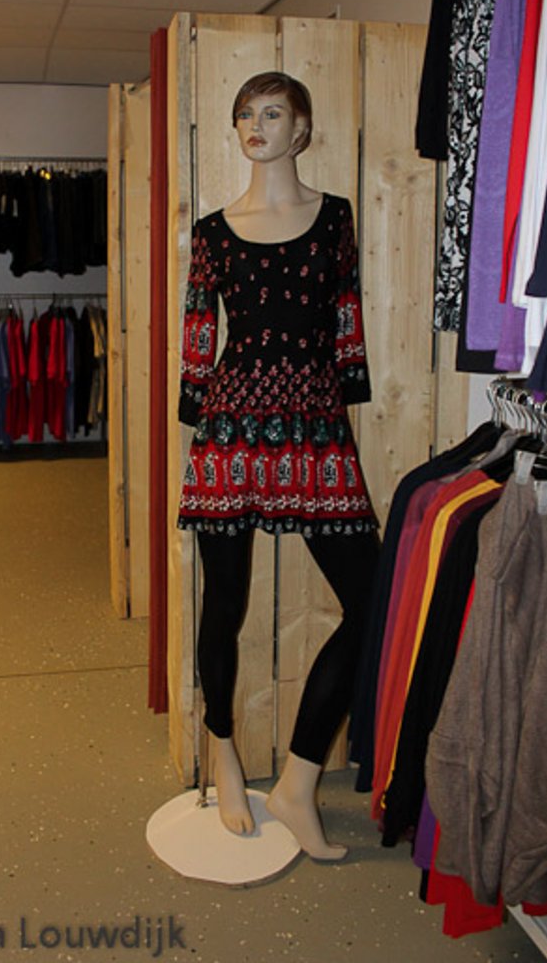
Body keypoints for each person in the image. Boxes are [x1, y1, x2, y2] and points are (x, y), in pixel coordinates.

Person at [177, 71, 379, 860]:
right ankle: (222, 750)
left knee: (371, 598)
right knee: (224, 600)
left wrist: (348, 387)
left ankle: (297, 781)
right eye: (243, 115)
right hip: (232, 431)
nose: (254, 125)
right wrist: (195, 406)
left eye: (271, 112)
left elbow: (346, 310)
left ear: (301, 129)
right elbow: (200, 325)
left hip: (315, 429)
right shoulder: (213, 231)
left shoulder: (335, 218)